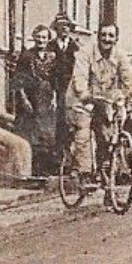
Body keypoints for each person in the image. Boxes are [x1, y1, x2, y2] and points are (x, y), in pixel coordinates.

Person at [69, 23, 132, 175]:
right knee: (83, 134)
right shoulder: (85, 52)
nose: (106, 39)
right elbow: (80, 77)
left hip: (104, 99)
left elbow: (129, 78)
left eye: (111, 36)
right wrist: (84, 93)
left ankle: (106, 172)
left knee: (108, 134)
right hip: (82, 100)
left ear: (116, 38)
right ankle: (85, 174)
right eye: (103, 35)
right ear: (98, 36)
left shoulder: (120, 55)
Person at [11, 24, 61, 176]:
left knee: (46, 133)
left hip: (46, 98)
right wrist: (24, 99)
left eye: (44, 37)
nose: (41, 40)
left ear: (48, 39)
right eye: (38, 37)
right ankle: (30, 169)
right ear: (34, 38)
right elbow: (18, 79)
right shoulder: (26, 56)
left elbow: (55, 80)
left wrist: (54, 97)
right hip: (30, 97)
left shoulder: (52, 56)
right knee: (29, 132)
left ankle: (44, 170)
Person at [48, 11, 82, 160]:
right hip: (56, 87)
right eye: (61, 26)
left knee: (71, 122)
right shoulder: (50, 46)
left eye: (67, 26)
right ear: (56, 28)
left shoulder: (76, 47)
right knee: (57, 122)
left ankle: (69, 155)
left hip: (72, 88)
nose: (65, 29)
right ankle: (57, 156)